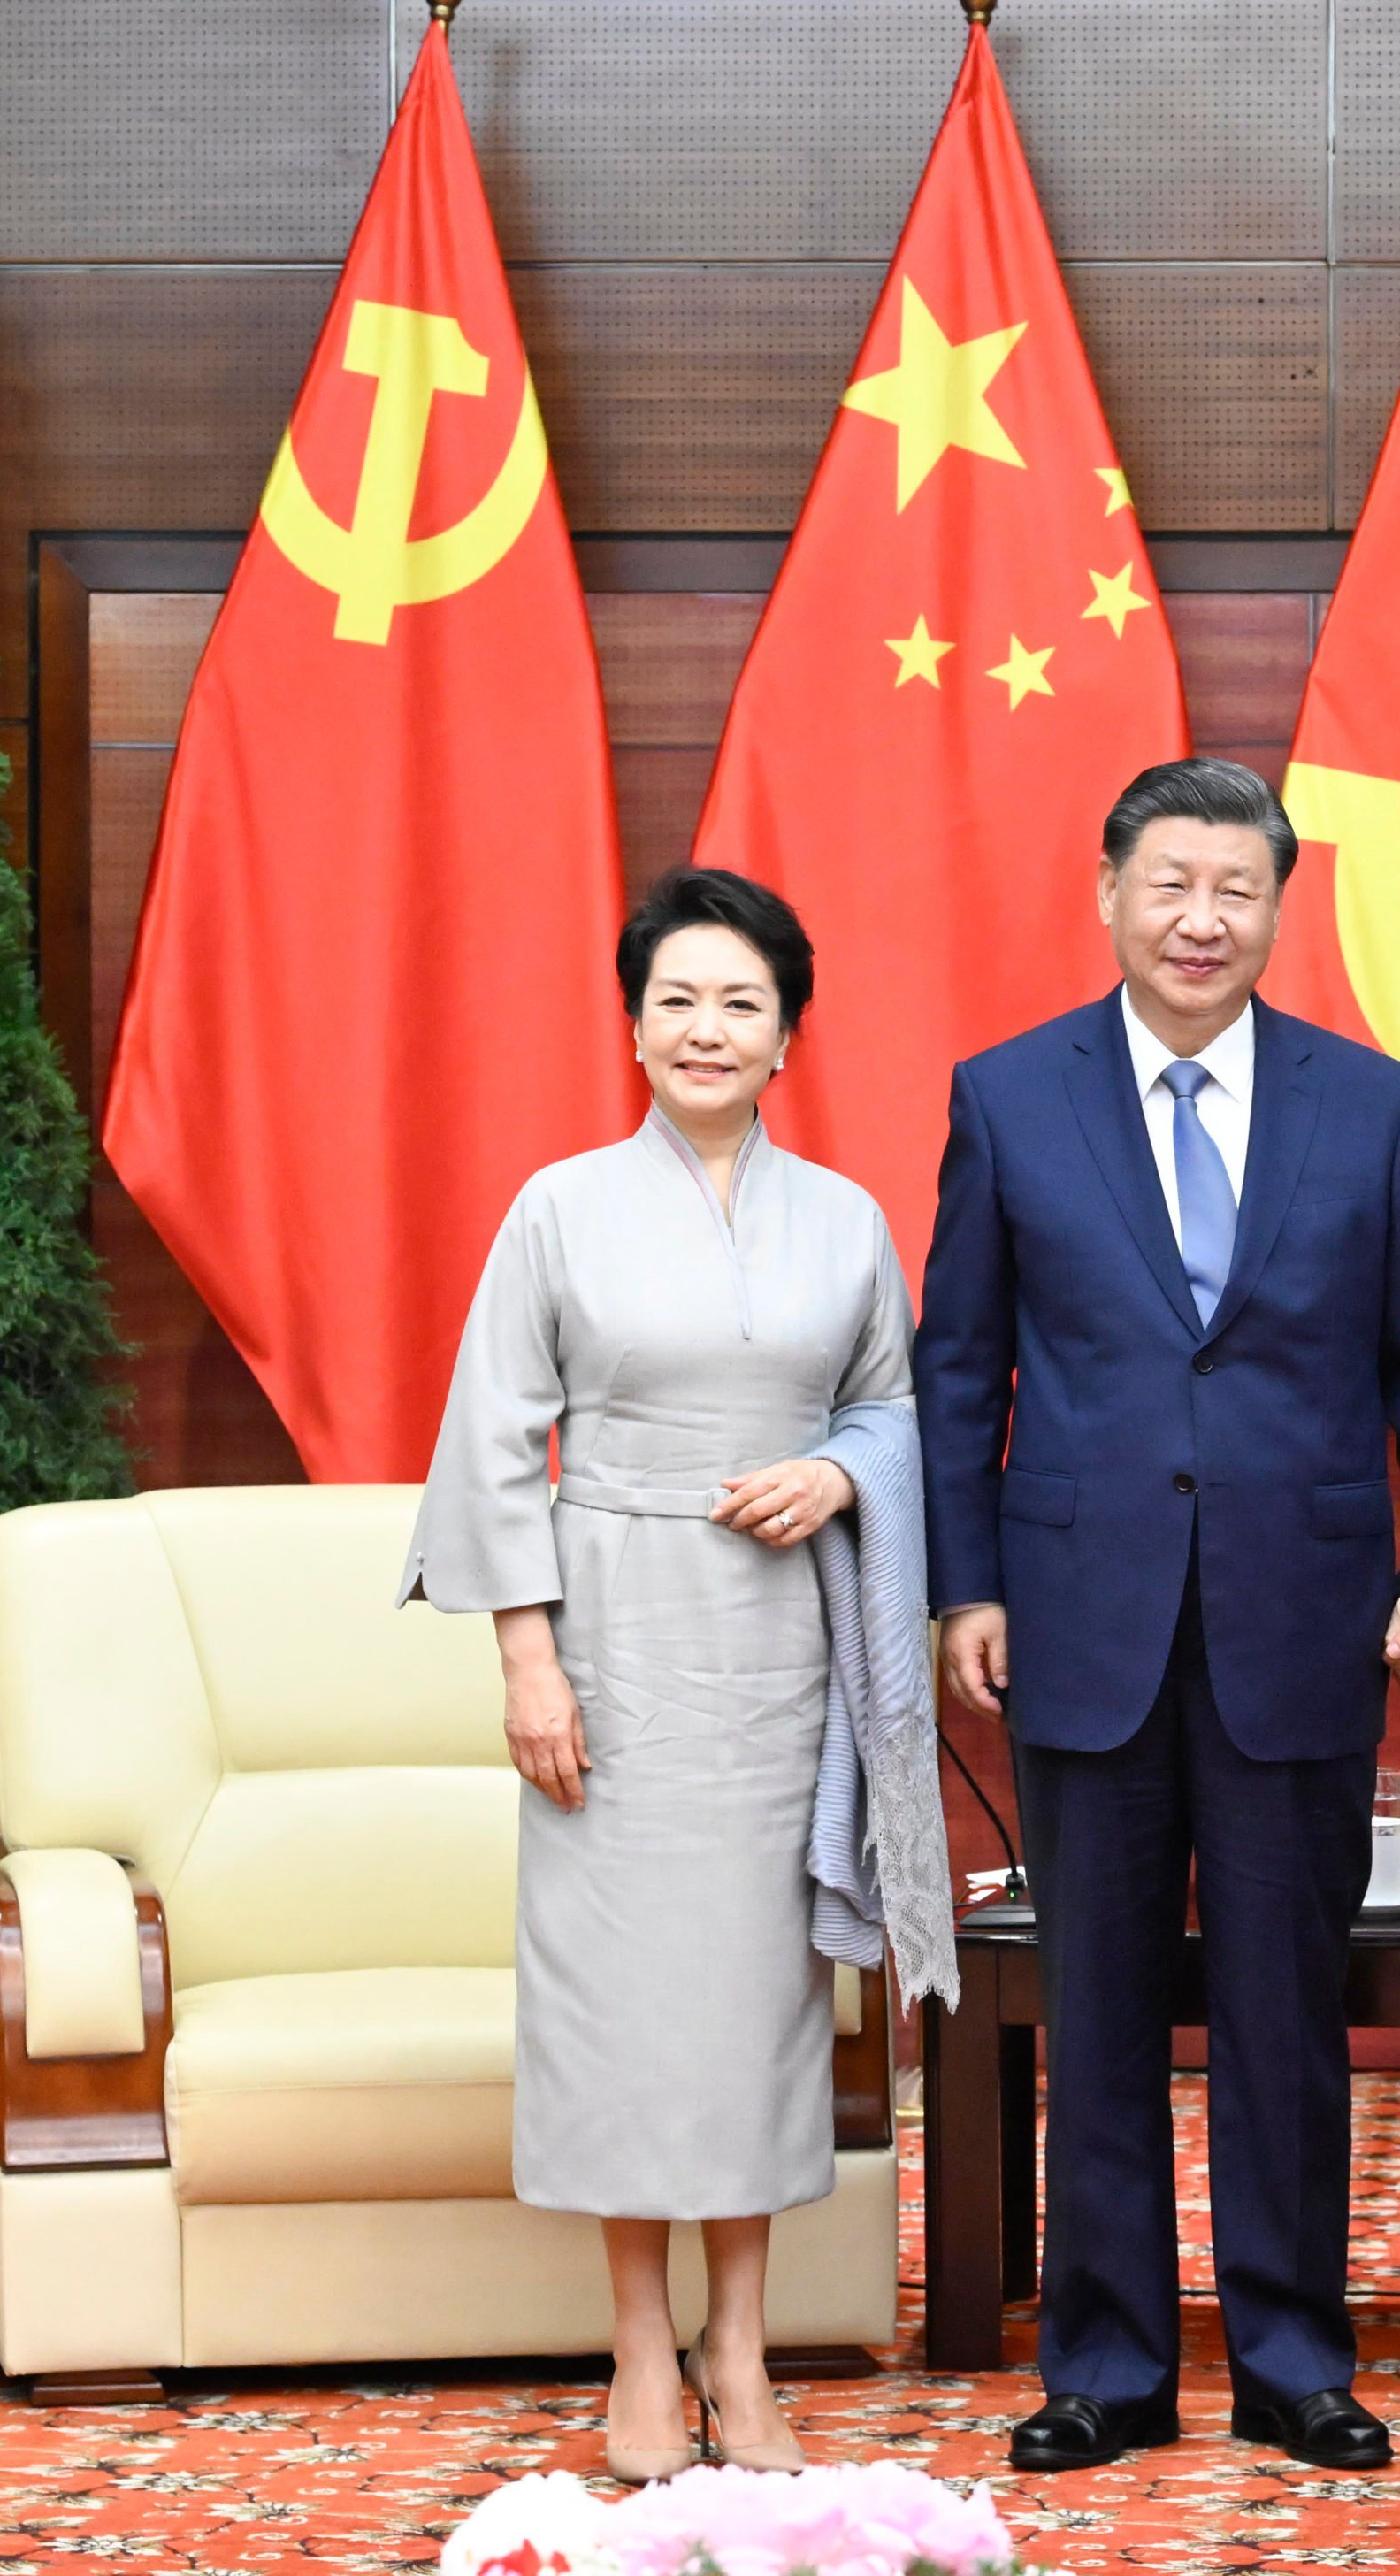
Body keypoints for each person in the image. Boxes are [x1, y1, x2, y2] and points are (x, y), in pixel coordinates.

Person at [915, 756, 1400, 2475]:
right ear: (1105, 890)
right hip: (1078, 1616)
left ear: (1274, 905)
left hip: (1297, 1611)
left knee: (1281, 2005)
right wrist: (966, 1579)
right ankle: (1099, 2364)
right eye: (1168, 881)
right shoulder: (1010, 1095)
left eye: (1233, 887)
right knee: (1092, 2005)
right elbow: (962, 1365)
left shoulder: (1368, 1101)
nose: (1198, 916)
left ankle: (1291, 2355)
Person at [402, 867, 953, 2486]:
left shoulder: (846, 1220)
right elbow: (496, 1443)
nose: (708, 1030)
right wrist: (529, 1664)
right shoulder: (558, 1207)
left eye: (742, 1004)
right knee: (622, 2007)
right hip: (614, 1634)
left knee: (757, 2011)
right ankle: (640, 2345)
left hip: (781, 1648)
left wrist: (840, 1480)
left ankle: (744, 2345)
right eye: (677, 1001)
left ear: (788, 1034)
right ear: (634, 1024)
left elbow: (895, 1414)